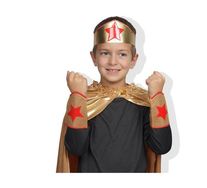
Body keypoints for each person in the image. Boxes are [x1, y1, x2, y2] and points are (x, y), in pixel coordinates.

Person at [56, 16, 172, 172]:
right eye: (105, 53)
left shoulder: (142, 102)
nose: (113, 62)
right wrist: (77, 96)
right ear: (94, 57)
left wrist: (157, 96)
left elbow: (162, 146)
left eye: (122, 54)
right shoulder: (84, 100)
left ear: (134, 60)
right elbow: (76, 148)